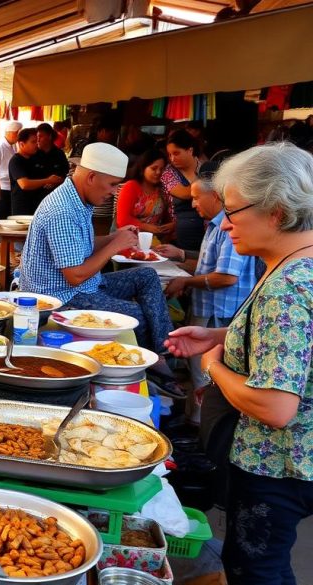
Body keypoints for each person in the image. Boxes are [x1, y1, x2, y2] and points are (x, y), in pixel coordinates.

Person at [164, 143, 313, 584]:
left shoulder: (287, 285)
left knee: (256, 570)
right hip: (297, 463)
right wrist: (224, 336)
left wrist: (214, 366)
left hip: (277, 466)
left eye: (233, 211)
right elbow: (297, 345)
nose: (224, 224)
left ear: (277, 211)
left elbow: (275, 406)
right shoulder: (297, 264)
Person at [20, 142, 173, 352]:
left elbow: (82, 246)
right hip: (61, 296)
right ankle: (150, 366)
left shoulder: (80, 198)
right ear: (91, 177)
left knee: (147, 276)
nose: (113, 192)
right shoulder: (62, 210)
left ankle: (164, 351)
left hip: (83, 286)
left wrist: (114, 237)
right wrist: (114, 246)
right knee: (135, 314)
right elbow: (74, 276)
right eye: (112, 184)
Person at [156, 159, 257, 398]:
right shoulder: (213, 226)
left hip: (219, 312)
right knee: (199, 370)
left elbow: (226, 277)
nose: (192, 204)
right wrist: (181, 261)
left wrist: (186, 281)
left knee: (207, 372)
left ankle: (198, 425)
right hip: (209, 307)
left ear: (214, 196)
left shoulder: (228, 226)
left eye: (196, 198)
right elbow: (207, 268)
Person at [115, 149, 176, 239]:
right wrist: (146, 227)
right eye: (154, 168)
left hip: (154, 239)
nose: (158, 172)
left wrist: (170, 225)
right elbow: (122, 220)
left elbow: (167, 216)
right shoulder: (131, 187)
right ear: (143, 168)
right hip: (128, 238)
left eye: (162, 169)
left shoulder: (163, 189)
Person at [162, 130, 206, 251]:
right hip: (177, 232)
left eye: (176, 153)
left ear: (190, 150)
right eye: (170, 154)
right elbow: (185, 194)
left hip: (205, 229)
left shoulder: (203, 167)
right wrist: (205, 181)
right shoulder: (168, 173)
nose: (172, 158)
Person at [9, 127, 62, 216]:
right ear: (22, 144)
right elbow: (24, 184)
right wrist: (48, 180)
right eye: (33, 142)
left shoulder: (37, 157)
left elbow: (53, 175)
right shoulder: (16, 161)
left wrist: (54, 181)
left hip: (39, 205)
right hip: (22, 208)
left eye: (37, 141)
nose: (37, 144)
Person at [0, 121, 21, 220]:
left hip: (11, 187)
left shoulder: (13, 146)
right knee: (2, 217)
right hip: (2, 188)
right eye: (18, 134)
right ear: (14, 133)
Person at [35, 123, 70, 196]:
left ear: (50, 136)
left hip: (55, 194)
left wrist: (56, 182)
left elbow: (65, 174)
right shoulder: (34, 154)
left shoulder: (59, 154)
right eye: (37, 137)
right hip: (36, 195)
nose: (37, 140)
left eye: (40, 136)